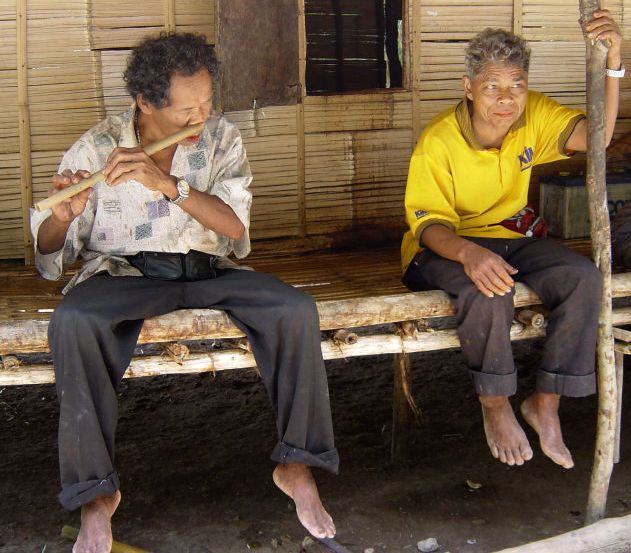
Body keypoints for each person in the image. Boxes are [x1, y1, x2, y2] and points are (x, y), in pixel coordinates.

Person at [31, 33, 338, 553]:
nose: (201, 118)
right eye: (186, 110)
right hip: (127, 277)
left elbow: (235, 228)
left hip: (206, 272)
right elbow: (46, 252)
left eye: (207, 103)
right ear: (145, 103)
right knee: (74, 322)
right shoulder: (98, 148)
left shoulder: (221, 139)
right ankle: (95, 495)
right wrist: (62, 219)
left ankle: (297, 465)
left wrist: (171, 185)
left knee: (294, 309)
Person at [401, 11, 623, 469]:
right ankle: (496, 403)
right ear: (467, 87)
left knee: (583, 278)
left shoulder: (533, 114)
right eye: (491, 88)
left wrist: (614, 61)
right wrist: (470, 253)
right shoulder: (438, 141)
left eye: (516, 86)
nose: (506, 100)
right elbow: (427, 225)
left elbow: (597, 137)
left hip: (508, 236)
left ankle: (545, 402)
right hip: (443, 246)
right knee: (488, 289)